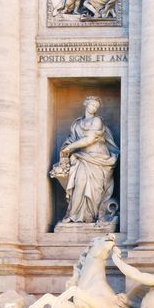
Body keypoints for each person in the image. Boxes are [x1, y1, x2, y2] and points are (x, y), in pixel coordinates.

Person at [53, 96, 119, 225]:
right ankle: (73, 215)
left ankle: (91, 217)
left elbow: (89, 140)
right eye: (92, 105)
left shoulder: (97, 121)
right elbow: (70, 140)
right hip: (82, 158)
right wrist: (67, 151)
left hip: (99, 159)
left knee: (96, 190)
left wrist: (70, 148)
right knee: (79, 185)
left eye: (96, 107)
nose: (93, 108)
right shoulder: (77, 124)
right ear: (85, 104)